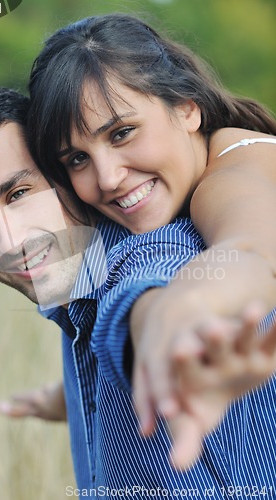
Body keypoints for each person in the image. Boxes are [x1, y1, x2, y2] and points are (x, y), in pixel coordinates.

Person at [0, 88, 275, 496]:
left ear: (66, 173)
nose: (9, 241)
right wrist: (63, 398)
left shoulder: (156, 256)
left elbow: (147, 297)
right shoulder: (73, 292)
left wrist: (169, 335)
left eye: (18, 195)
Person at [26, 11, 276, 475]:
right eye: (77, 159)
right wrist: (58, 398)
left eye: (122, 133)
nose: (108, 177)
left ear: (186, 107)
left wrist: (179, 311)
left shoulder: (233, 175)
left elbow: (250, 251)